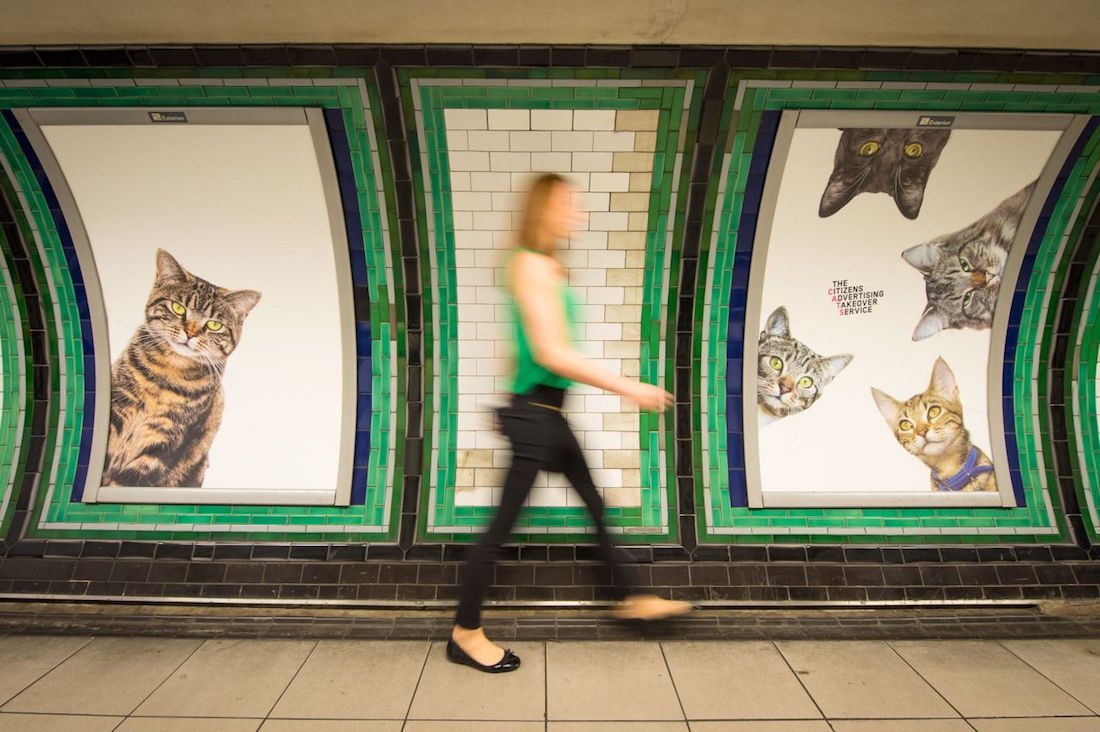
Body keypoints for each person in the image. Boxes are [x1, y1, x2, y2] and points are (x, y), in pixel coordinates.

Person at [447, 173, 694, 674]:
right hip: (537, 417)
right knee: (500, 529)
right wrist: (630, 387)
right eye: (566, 204)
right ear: (543, 209)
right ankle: (465, 632)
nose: (576, 213)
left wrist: (507, 397)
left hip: (544, 414)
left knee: (595, 504)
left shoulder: (547, 269)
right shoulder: (528, 265)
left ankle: (632, 597)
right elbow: (550, 352)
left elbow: (517, 342)